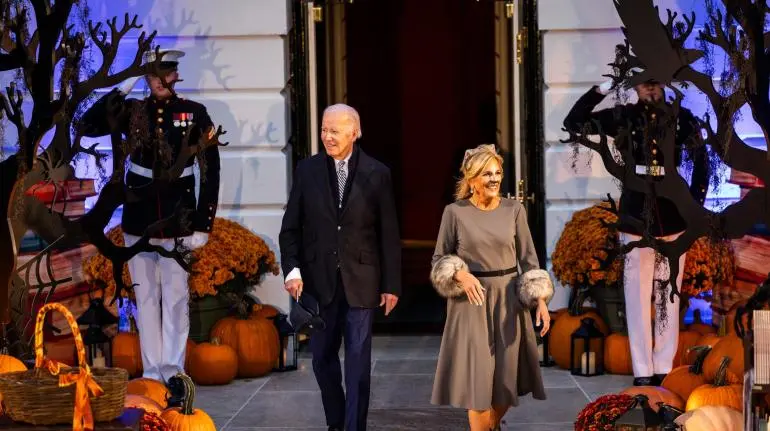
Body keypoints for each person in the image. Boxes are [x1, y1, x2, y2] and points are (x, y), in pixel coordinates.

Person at [80, 49, 220, 402]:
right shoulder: (132, 111)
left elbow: (211, 169)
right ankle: (151, 371)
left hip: (178, 215)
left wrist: (203, 222)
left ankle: (174, 370)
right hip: (139, 215)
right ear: (147, 77)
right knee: (145, 297)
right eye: (153, 74)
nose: (159, 80)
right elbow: (90, 123)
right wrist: (123, 85)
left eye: (166, 73)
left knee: (174, 297)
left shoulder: (194, 113)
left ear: (175, 75)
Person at [563, 78, 710, 386]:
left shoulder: (681, 117)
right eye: (643, 83)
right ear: (636, 86)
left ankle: (664, 367)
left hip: (673, 211)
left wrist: (695, 204)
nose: (650, 89)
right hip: (635, 212)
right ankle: (643, 370)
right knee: (637, 294)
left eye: (654, 83)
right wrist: (603, 88)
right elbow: (574, 122)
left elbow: (701, 160)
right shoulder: (623, 116)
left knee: (669, 293)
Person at [278, 104, 401, 431]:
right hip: (319, 283)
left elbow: (388, 233)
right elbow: (290, 228)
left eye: (334, 131)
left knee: (358, 364)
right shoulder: (308, 170)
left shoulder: (377, 173)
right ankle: (337, 420)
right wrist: (292, 271)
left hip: (362, 281)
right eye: (323, 129)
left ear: (354, 132)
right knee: (321, 360)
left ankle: (353, 427)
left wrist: (391, 285)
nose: (327, 137)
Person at [429, 144, 553, 431]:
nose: (495, 179)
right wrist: (460, 274)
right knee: (478, 383)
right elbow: (439, 259)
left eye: (498, 173)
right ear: (472, 179)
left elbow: (529, 260)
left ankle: (491, 425)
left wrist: (541, 301)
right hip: (471, 304)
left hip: (510, 300)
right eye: (487, 174)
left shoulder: (514, 209)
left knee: (506, 381)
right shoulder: (455, 213)